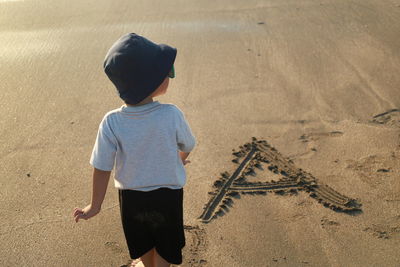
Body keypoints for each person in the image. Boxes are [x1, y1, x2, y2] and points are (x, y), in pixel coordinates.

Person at [72, 33, 196, 267]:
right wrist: (179, 159)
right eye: (167, 72)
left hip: (131, 199)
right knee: (166, 245)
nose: (170, 75)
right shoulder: (171, 114)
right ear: (155, 83)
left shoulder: (111, 122)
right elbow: (188, 145)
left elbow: (102, 166)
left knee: (142, 243)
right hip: (167, 195)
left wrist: (95, 205)